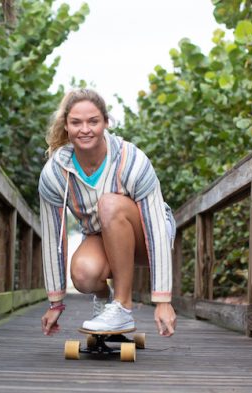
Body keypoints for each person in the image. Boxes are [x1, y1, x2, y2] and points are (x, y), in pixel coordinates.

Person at [38, 88, 177, 337]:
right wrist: (55, 302)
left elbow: (155, 226)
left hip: (147, 236)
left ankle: (122, 307)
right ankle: (105, 302)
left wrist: (163, 299)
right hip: (104, 237)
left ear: (106, 122)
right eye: (76, 122)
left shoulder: (132, 159)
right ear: (66, 127)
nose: (85, 129)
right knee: (83, 273)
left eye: (93, 121)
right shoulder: (55, 172)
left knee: (109, 204)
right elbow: (52, 239)